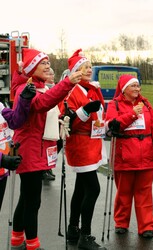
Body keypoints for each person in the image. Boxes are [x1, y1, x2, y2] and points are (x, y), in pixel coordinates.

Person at [10, 48, 82, 250]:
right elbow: (42, 104)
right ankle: (32, 244)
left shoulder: (38, 86)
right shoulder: (27, 88)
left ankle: (17, 239)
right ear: (33, 68)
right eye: (43, 63)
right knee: (32, 202)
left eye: (48, 62)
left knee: (26, 198)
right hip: (30, 150)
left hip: (37, 149)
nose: (48, 66)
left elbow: (48, 108)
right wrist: (67, 83)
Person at [59, 49, 107, 250]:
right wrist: (86, 111)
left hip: (92, 143)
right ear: (75, 71)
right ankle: (84, 236)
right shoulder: (71, 91)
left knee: (81, 189)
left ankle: (73, 229)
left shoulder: (91, 89)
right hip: (81, 145)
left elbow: (99, 116)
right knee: (93, 189)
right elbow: (69, 124)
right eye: (83, 67)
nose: (88, 69)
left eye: (89, 66)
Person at [105, 74, 153, 238]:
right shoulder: (114, 104)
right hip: (124, 156)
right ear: (124, 89)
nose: (137, 89)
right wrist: (131, 114)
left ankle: (146, 226)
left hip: (146, 157)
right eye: (133, 86)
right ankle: (121, 223)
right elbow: (111, 127)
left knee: (144, 193)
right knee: (123, 192)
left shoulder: (145, 103)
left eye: (138, 85)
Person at [0, 84, 36, 211]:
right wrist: (2, 159)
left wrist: (24, 100)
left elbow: (16, 121)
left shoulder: (0, 107)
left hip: (1, 172)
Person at [42, 67, 56, 181]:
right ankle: (45, 170)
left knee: (53, 147)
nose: (52, 77)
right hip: (46, 125)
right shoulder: (44, 90)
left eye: (53, 75)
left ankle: (49, 168)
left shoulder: (53, 88)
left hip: (54, 123)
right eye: (50, 74)